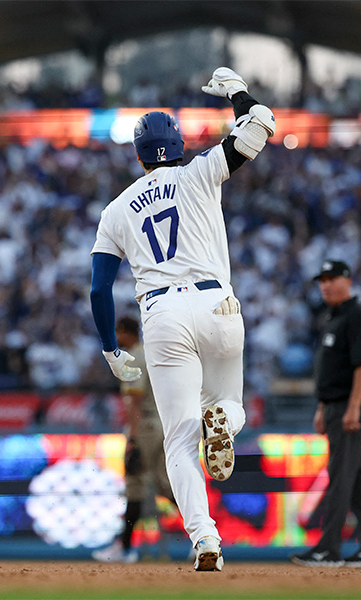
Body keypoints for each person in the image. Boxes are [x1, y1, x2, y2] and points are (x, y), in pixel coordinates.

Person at [89, 67, 275, 571]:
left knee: (180, 440)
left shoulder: (117, 210)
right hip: (218, 303)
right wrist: (239, 93)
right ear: (178, 143)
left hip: (163, 314)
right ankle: (225, 422)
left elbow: (99, 288)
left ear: (139, 155)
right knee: (230, 403)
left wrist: (111, 347)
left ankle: (206, 541)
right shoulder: (200, 171)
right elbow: (260, 126)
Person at [290, 260, 361, 568]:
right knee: (355, 477)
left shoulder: (359, 316)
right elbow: (331, 372)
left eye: (332, 278)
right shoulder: (330, 319)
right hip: (335, 405)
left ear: (348, 281)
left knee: (339, 475)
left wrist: (353, 408)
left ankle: (328, 548)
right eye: (322, 280)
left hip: (352, 405)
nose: (326, 285)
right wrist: (323, 407)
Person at [93, 316, 175, 563]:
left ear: (125, 332)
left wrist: (134, 439)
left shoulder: (136, 356)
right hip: (160, 422)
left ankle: (125, 547)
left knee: (135, 482)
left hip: (145, 426)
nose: (115, 338)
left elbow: (135, 400)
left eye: (118, 332)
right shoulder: (149, 355)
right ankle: (203, 535)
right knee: (165, 483)